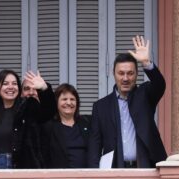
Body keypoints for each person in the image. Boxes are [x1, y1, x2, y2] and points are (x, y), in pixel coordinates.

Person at [87, 35, 167, 168]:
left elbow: (160, 85)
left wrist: (146, 63)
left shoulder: (145, 95)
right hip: (115, 170)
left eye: (130, 73)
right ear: (114, 74)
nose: (125, 78)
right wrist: (93, 175)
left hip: (146, 168)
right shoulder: (100, 107)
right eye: (121, 73)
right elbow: (95, 145)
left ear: (136, 75)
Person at [0, 70, 55, 169]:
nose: (10, 87)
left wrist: (44, 89)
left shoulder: (28, 106)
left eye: (14, 83)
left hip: (24, 167)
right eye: (5, 83)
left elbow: (49, 112)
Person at [41, 83, 91, 168]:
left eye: (72, 99)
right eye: (64, 99)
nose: (68, 103)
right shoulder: (49, 126)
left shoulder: (87, 122)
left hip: (86, 178)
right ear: (56, 103)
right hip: (60, 178)